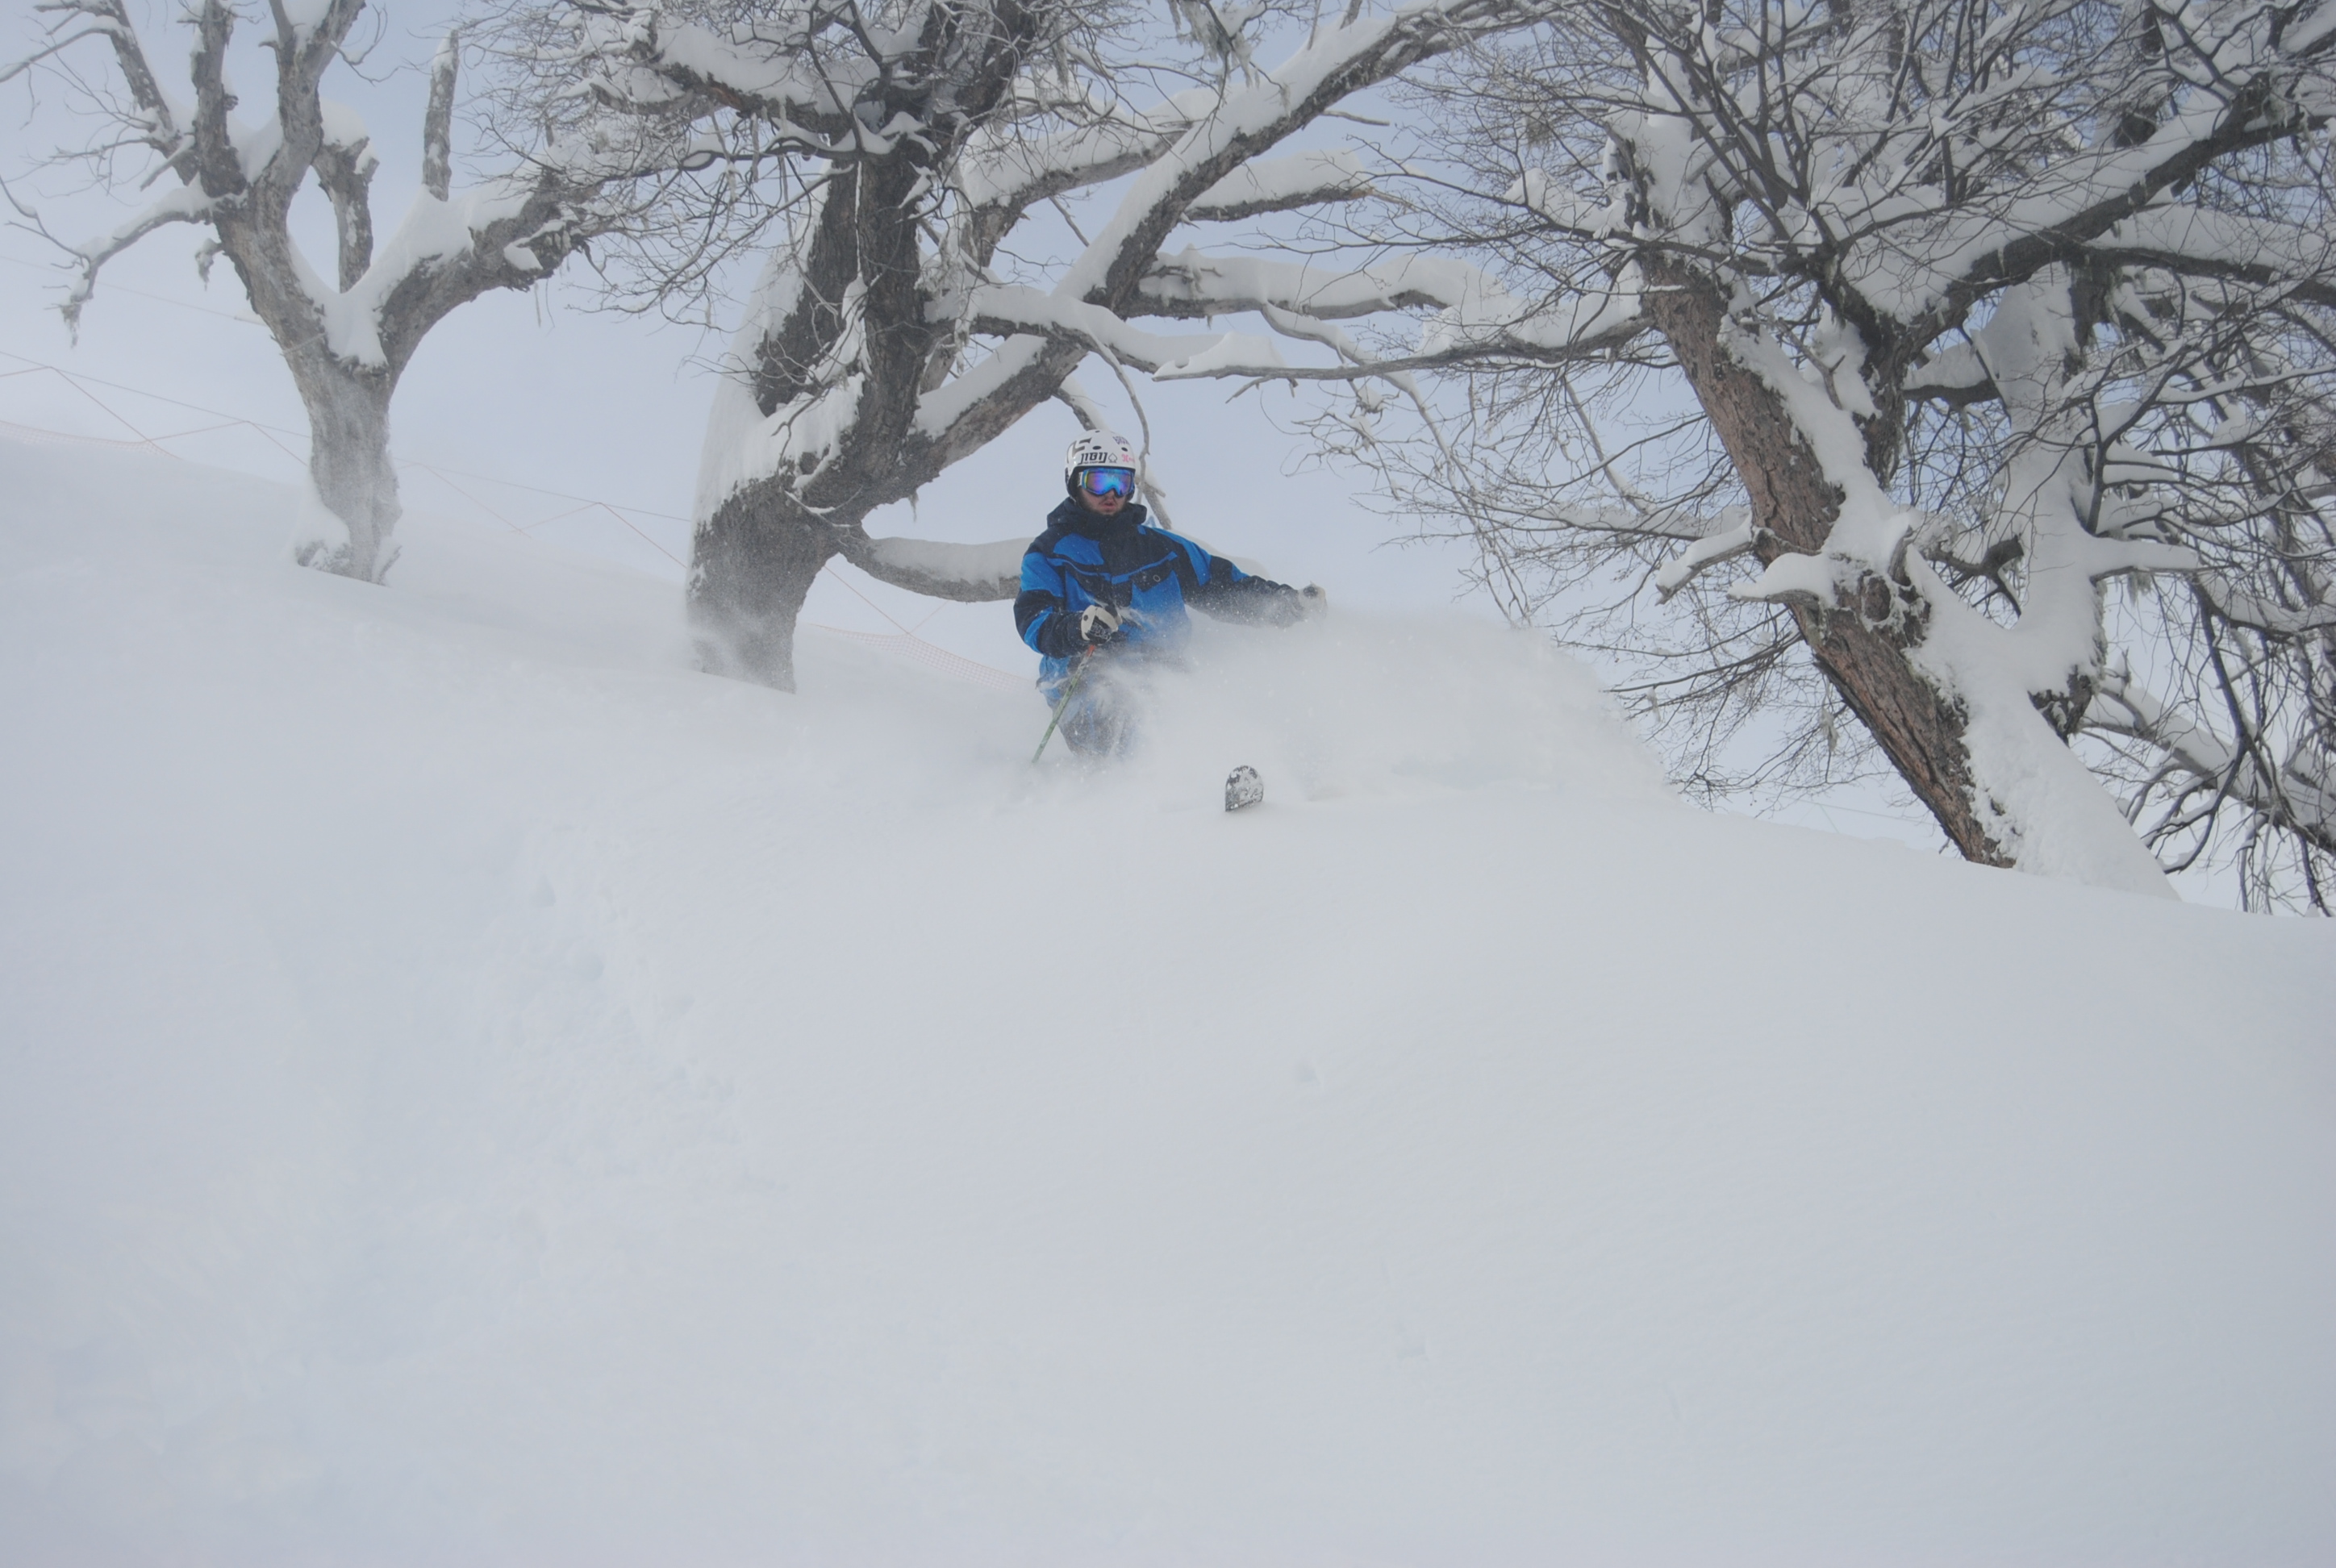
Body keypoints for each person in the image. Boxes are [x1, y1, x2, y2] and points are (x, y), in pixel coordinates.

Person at [1016, 432, 1323, 756]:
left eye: (1120, 483)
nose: (1110, 494)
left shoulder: (1160, 547)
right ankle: (1164, 789)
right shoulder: (1049, 553)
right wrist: (1076, 627)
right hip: (1084, 680)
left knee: (1222, 708)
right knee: (1135, 715)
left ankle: (1266, 775)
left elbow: (1225, 588)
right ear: (1075, 483)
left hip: (1164, 671)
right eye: (1098, 482)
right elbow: (1033, 620)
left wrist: (1289, 605)